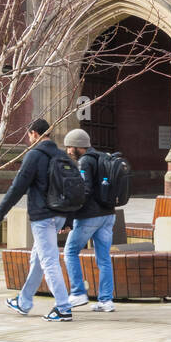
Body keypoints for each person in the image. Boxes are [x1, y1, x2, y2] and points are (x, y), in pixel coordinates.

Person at [0, 118, 74, 321]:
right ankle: (24, 301)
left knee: (48, 261)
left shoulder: (34, 156)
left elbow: (18, 187)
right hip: (60, 215)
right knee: (38, 258)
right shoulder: (62, 155)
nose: (28, 139)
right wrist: (69, 219)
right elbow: (71, 188)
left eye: (29, 135)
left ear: (35, 133)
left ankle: (63, 307)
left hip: (43, 217)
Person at [62, 128, 117, 313]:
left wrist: (69, 214)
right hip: (109, 214)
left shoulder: (85, 161)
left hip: (90, 216)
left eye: (70, 147)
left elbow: (84, 190)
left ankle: (77, 293)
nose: (69, 151)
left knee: (70, 251)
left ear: (79, 146)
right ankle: (106, 301)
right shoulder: (104, 157)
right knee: (104, 258)